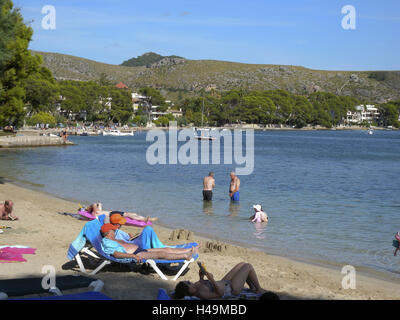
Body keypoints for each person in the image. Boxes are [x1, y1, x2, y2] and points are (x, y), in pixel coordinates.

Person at [100, 224, 198, 262]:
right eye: (113, 230)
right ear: (109, 233)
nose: (115, 231)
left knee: (166, 249)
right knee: (161, 254)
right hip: (136, 254)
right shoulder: (107, 242)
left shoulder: (113, 239)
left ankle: (189, 249)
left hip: (139, 249)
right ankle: (185, 256)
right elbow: (116, 254)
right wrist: (133, 257)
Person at [174, 262, 271, 300]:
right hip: (231, 289)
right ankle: (258, 289)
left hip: (224, 282)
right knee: (248, 266)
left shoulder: (196, 286)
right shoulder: (201, 294)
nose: (189, 281)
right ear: (188, 291)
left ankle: (253, 288)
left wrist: (201, 278)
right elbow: (219, 294)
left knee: (242, 264)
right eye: (187, 283)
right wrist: (211, 280)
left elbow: (204, 283)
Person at [84, 203, 158, 222]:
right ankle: (144, 219)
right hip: (112, 214)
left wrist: (87, 208)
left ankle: (147, 218)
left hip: (113, 212)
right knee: (128, 215)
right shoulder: (95, 213)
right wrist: (87, 209)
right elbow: (94, 204)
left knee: (133, 214)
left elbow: (99, 203)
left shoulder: (97, 211)